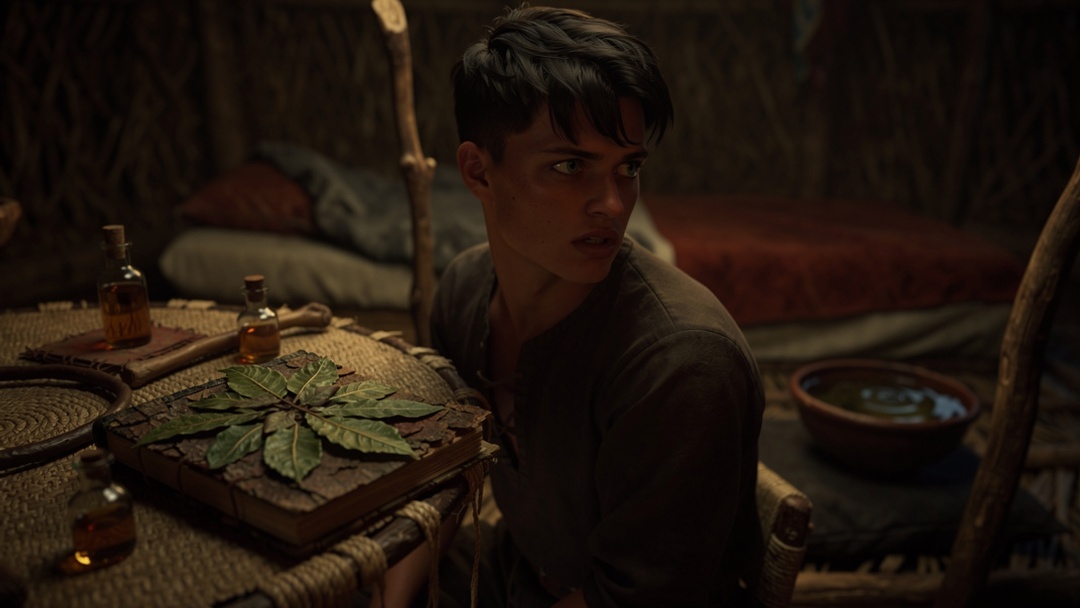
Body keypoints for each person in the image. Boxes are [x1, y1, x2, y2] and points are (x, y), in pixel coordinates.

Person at [378, 6, 765, 607]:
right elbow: (448, 477)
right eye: (569, 166)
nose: (612, 204)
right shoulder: (463, 293)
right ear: (479, 171)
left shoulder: (681, 366)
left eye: (627, 167)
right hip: (520, 571)